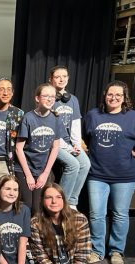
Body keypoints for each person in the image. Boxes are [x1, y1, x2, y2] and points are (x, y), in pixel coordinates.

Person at [84, 81, 135, 264]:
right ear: (105, 96)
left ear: (124, 98)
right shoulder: (93, 115)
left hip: (125, 176)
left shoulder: (134, 117)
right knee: (96, 214)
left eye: (118, 95)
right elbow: (86, 135)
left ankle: (116, 251)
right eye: (110, 94)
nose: (113, 98)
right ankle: (97, 251)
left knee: (120, 214)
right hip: (97, 174)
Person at [30, 183, 92, 264]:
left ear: (64, 199)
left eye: (58, 197)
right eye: (49, 197)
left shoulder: (79, 219)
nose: (54, 201)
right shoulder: (35, 223)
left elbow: (83, 254)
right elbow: (40, 258)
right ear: (42, 200)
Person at [14, 83, 65, 214]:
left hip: (42, 170)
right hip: (24, 169)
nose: (49, 99)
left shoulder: (56, 119)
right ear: (37, 98)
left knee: (38, 208)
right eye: (46, 96)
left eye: (52, 96)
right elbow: (19, 149)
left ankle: (35, 234)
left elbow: (55, 147)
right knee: (28, 205)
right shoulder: (28, 118)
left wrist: (45, 173)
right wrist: (29, 175)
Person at [48, 66, 90, 210]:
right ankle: (61, 202)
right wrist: (68, 148)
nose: (61, 79)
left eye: (64, 76)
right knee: (74, 165)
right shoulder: (48, 99)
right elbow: (50, 131)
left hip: (69, 143)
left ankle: (71, 202)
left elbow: (75, 124)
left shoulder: (73, 100)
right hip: (54, 143)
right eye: (57, 76)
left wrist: (77, 145)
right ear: (51, 79)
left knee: (85, 164)